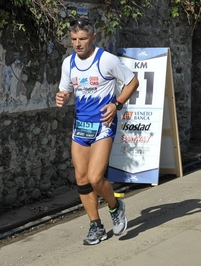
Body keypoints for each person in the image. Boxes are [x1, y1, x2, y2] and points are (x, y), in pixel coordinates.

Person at [55, 18, 139, 245]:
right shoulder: (68, 63)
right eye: (73, 39)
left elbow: (132, 82)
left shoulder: (107, 60)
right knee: (81, 179)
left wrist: (117, 103)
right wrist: (62, 97)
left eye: (82, 39)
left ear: (93, 37)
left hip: (103, 124)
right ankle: (96, 225)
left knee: (94, 177)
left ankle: (115, 206)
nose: (77, 44)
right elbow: (66, 91)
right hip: (80, 126)